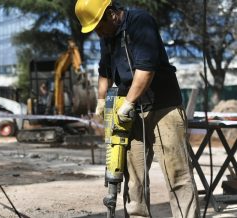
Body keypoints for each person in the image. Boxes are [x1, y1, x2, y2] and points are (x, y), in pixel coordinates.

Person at [75, 0, 200, 217]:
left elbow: (145, 70)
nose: (98, 33)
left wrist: (129, 103)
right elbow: (104, 71)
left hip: (163, 107)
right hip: (130, 111)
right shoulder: (107, 36)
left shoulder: (140, 23)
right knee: (134, 178)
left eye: (99, 26)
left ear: (112, 14)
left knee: (177, 175)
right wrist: (102, 100)